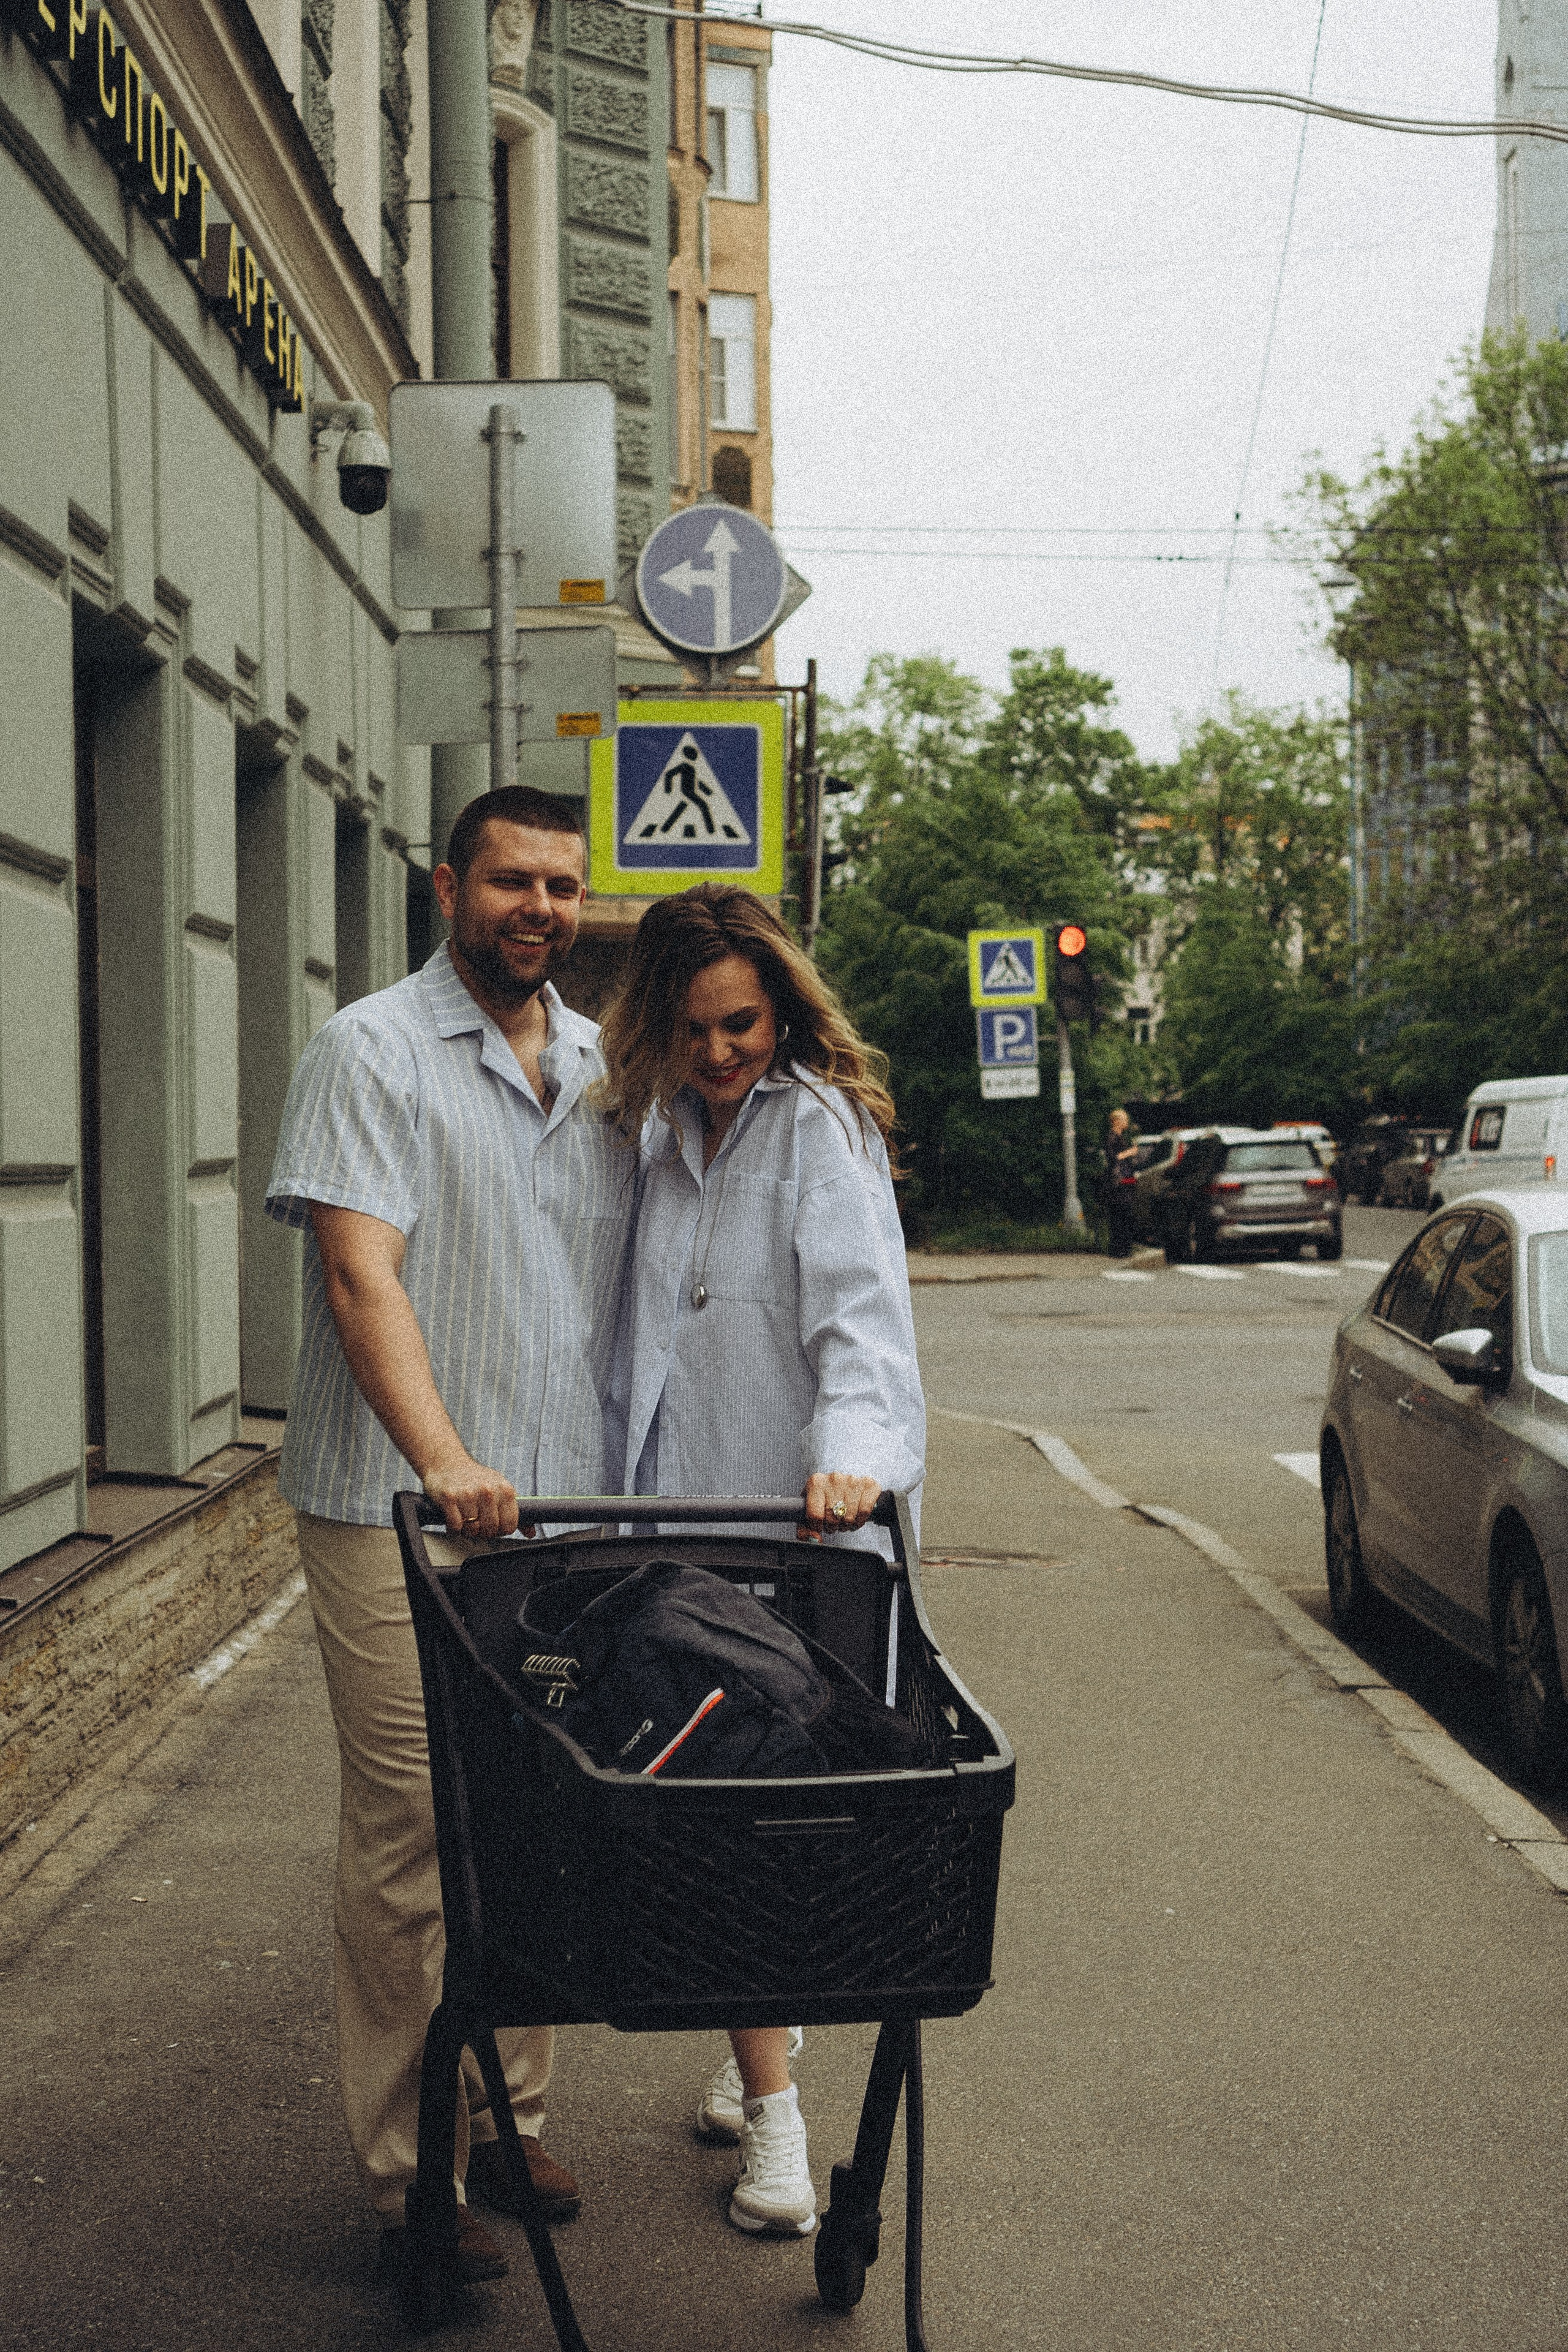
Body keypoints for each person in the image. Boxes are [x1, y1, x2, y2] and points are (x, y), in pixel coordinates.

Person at [264, 786, 632, 2281]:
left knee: (538, 1808)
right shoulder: (371, 1049)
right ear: (446, 887)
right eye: (508, 881)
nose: (535, 908)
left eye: (559, 885)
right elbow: (364, 1279)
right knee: (415, 1828)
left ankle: (505, 2106)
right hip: (397, 1507)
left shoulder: (610, 1068)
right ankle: (409, 2170)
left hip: (565, 1518)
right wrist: (446, 1459)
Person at [595, 883, 925, 2242]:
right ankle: (764, 2064)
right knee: (730, 1798)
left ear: (779, 1012)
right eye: (695, 1029)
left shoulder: (817, 1130)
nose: (722, 1050)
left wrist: (852, 1460)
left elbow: (860, 1323)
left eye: (741, 1024)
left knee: (757, 1802)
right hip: (668, 1520)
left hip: (794, 1528)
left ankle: (775, 2114)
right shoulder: (654, 1130)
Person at [1103, 1106, 1140, 1258]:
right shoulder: (1112, 1136)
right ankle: (1119, 1249)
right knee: (1121, 1214)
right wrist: (1130, 1152)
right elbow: (1114, 1157)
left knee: (1123, 1214)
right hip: (1119, 1181)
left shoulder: (1119, 1136)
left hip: (1124, 1180)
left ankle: (1122, 1248)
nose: (1127, 1122)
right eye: (1125, 1120)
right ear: (1116, 1121)